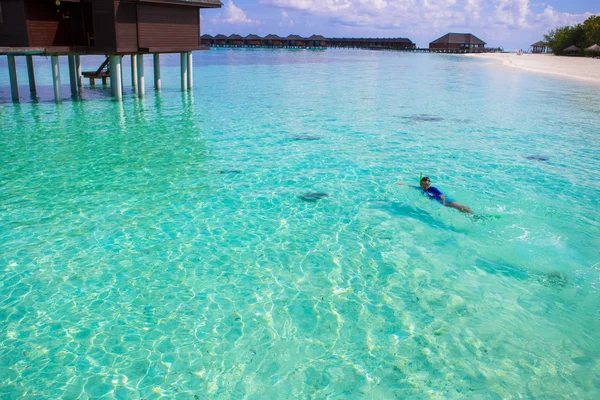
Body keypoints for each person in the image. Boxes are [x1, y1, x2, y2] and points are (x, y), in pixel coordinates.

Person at [397, 176, 473, 214]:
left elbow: (441, 195)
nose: (424, 186)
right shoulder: (421, 189)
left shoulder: (433, 188)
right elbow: (412, 186)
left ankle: (473, 214)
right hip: (441, 201)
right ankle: (472, 216)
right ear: (421, 184)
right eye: (423, 184)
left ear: (429, 183)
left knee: (458, 206)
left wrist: (444, 204)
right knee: (460, 210)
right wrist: (403, 184)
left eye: (426, 184)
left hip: (446, 200)